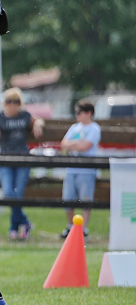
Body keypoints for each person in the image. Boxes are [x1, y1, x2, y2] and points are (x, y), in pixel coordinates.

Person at [0, 88, 45, 240]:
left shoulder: (24, 115)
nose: (13, 105)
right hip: (5, 160)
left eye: (16, 102)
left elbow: (38, 120)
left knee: (17, 194)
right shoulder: (0, 117)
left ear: (20, 103)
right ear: (5, 103)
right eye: (10, 101)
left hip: (23, 159)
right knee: (8, 193)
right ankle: (25, 223)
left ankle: (14, 229)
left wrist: (37, 125)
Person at [60, 99, 101, 239]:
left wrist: (73, 145)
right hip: (71, 169)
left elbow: (86, 146)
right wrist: (77, 145)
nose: (77, 115)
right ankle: (70, 227)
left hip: (87, 170)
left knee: (86, 199)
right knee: (67, 199)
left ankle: (84, 229)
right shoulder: (74, 127)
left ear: (89, 113)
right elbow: (63, 144)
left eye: (80, 112)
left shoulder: (94, 128)